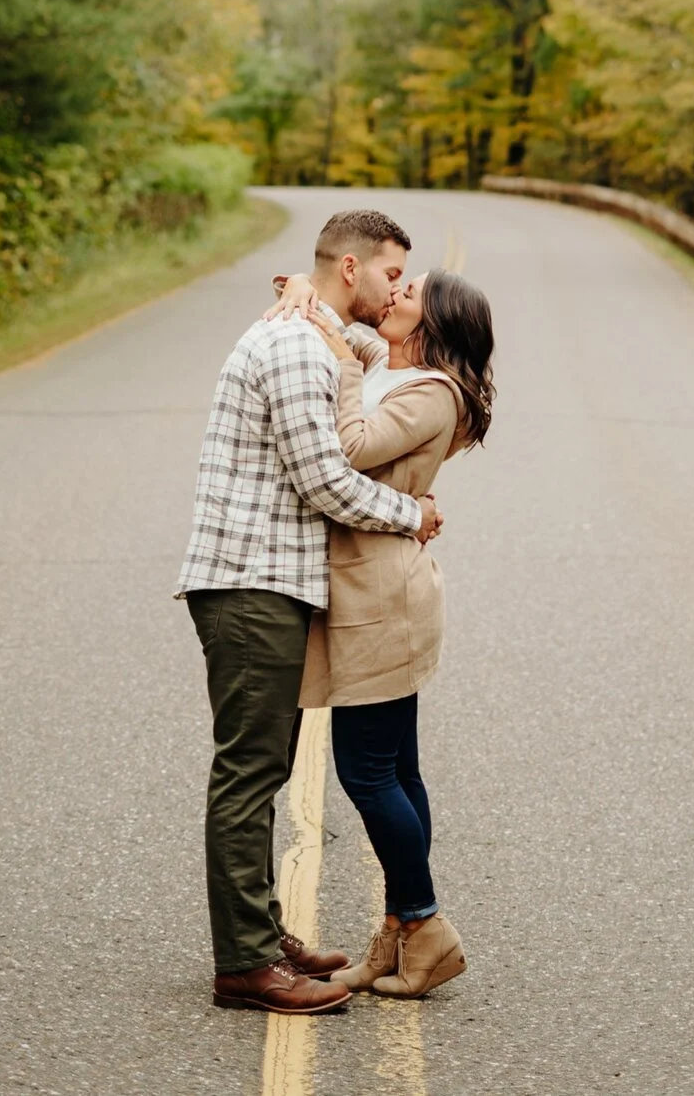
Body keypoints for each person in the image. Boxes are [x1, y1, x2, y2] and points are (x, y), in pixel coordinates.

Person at [174, 208, 443, 1017]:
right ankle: (246, 964)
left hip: (272, 582)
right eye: (394, 273)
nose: (401, 289)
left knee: (267, 767)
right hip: (254, 584)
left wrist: (308, 292)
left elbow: (354, 352)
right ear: (354, 267)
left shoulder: (312, 333)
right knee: (251, 772)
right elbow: (324, 478)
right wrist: (413, 514)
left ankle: (260, 930)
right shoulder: (294, 345)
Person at [266, 265, 495, 1000]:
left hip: (381, 596)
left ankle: (426, 924)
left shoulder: (430, 393)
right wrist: (305, 286)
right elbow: (346, 326)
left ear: (433, 323)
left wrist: (335, 359)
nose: (395, 294)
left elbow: (351, 446)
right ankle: (399, 934)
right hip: (378, 587)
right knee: (397, 769)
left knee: (367, 771)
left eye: (412, 291)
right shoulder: (396, 368)